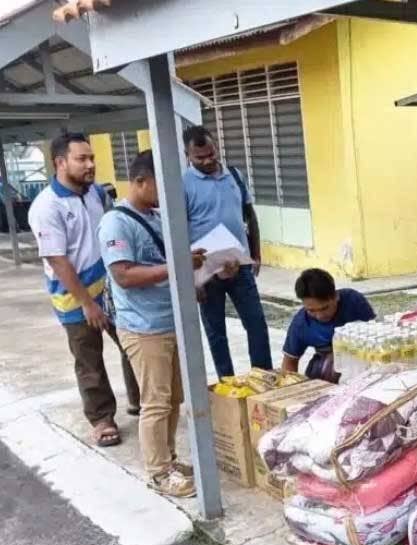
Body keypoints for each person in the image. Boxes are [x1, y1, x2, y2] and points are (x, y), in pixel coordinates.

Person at [97, 151, 209, 498]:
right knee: (156, 401)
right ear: (141, 181)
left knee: (173, 397)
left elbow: (169, 262)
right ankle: (158, 472)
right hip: (144, 327)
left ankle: (170, 459)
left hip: (171, 319)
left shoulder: (159, 217)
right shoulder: (117, 223)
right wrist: (178, 266)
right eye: (163, 183)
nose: (169, 191)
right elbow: (124, 274)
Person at [27, 132, 141, 448]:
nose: (91, 164)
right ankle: (102, 418)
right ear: (60, 163)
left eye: (91, 158)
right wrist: (87, 303)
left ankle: (139, 401)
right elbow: (58, 261)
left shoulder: (95, 195)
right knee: (89, 360)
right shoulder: (46, 206)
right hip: (75, 297)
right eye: (82, 159)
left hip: (112, 290)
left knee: (134, 346)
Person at [182, 125, 272, 378]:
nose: (209, 160)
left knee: (256, 324)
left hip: (239, 264)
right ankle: (227, 382)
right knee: (216, 332)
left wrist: (255, 252)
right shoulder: (182, 184)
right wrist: (193, 279)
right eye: (200, 157)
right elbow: (179, 230)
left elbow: (249, 213)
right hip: (206, 271)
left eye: (212, 153)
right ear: (187, 155)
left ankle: (263, 377)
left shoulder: (233, 174)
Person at [281, 268, 375, 382]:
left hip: (363, 357)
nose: (320, 316)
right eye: (311, 311)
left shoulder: (353, 301)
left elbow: (376, 333)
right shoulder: (301, 324)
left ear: (336, 296)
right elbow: (289, 362)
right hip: (326, 368)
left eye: (324, 308)